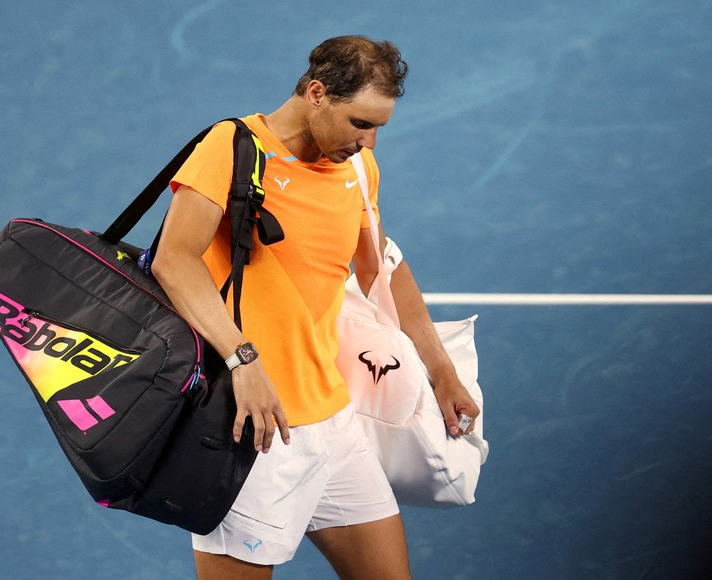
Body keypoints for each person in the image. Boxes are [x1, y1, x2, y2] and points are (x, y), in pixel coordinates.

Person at [151, 35, 480, 580]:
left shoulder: (356, 170)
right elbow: (174, 260)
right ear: (318, 94)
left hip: (331, 421)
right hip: (248, 426)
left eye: (379, 127)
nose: (369, 142)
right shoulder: (231, 148)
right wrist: (243, 360)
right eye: (360, 123)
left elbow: (380, 270)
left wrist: (441, 370)